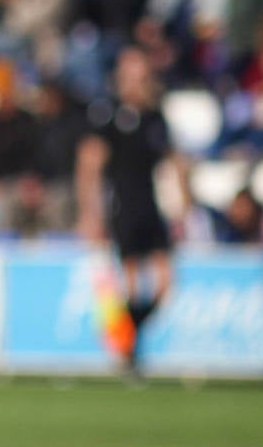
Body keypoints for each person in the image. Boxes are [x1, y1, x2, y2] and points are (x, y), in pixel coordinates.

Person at [75, 47, 191, 374]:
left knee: (165, 283)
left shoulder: (155, 118)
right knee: (128, 281)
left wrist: (184, 202)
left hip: (151, 205)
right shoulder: (108, 115)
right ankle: (127, 349)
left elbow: (173, 161)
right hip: (123, 207)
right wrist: (90, 212)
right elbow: (90, 165)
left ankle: (130, 333)